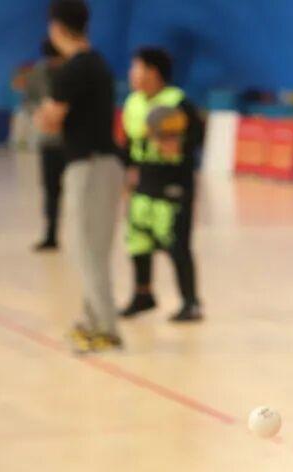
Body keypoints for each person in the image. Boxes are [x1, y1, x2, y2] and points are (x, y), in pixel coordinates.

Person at [35, 0, 123, 352]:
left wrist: (44, 113)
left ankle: (106, 328)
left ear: (57, 28)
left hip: (89, 166)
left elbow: (49, 120)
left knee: (88, 251)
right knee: (91, 250)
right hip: (102, 164)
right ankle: (93, 321)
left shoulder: (73, 69)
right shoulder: (96, 63)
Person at [118, 46, 205, 322]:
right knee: (138, 241)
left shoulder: (178, 102)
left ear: (153, 72)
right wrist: (126, 175)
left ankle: (190, 302)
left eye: (137, 68)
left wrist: (178, 145)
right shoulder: (133, 103)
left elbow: (198, 138)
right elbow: (129, 144)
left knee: (177, 244)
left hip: (174, 182)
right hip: (144, 181)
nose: (132, 74)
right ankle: (143, 294)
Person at [19, 39, 66, 252]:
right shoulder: (38, 73)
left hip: (73, 142)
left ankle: (85, 235)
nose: (54, 63)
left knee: (80, 191)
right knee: (51, 190)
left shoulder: (74, 71)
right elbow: (29, 101)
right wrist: (40, 114)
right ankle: (51, 235)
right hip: (49, 141)